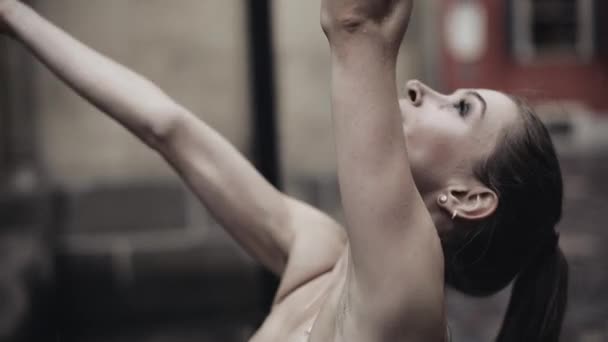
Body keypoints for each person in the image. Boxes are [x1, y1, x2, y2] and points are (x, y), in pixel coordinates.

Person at [0, 0, 568, 341]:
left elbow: (355, 21)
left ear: (470, 198)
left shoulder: (409, 294)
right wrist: (14, 15)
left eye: (461, 108)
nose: (423, 89)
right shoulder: (319, 253)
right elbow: (165, 127)